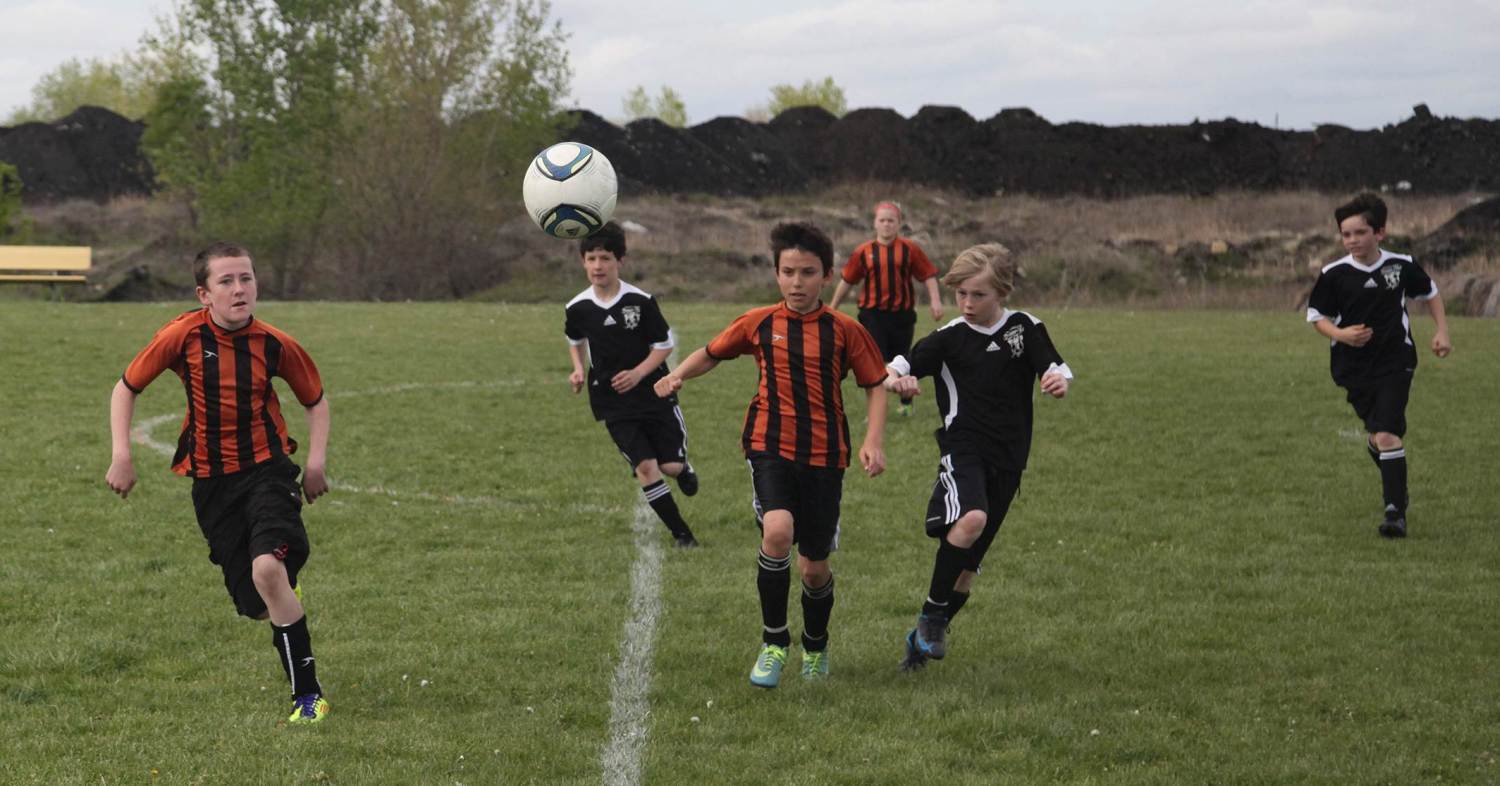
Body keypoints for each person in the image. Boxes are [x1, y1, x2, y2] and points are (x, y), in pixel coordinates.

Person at [105, 241, 333, 724]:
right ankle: (280, 600)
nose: (239, 289)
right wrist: (121, 455)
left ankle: (308, 697)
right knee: (255, 603)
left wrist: (314, 464)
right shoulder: (181, 335)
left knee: (268, 572)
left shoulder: (274, 343)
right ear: (204, 294)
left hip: (269, 472)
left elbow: (315, 400)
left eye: (246, 278)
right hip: (211, 484)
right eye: (226, 281)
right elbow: (125, 388)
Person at [655, 221, 889, 687]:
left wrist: (872, 440)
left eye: (807, 272)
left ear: (826, 275)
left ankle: (816, 647)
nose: (796, 282)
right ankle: (774, 642)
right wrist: (677, 374)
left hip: (826, 454)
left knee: (814, 566)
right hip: (769, 444)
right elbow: (712, 351)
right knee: (778, 531)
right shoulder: (759, 321)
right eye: (787, 272)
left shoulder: (846, 330)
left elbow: (875, 384)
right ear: (776, 274)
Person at [883, 243, 1073, 672]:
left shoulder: (1024, 328)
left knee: (966, 572)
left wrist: (1057, 379)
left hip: (1010, 460)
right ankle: (932, 616)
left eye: (978, 295)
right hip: (963, 450)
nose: (968, 303)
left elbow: (1055, 365)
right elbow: (898, 365)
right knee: (971, 519)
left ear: (1002, 292)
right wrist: (898, 380)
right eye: (961, 294)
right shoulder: (950, 338)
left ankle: (920, 640)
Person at [1306, 192, 1451, 538]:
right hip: (1352, 369)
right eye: (1346, 234)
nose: (1352, 240)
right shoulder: (1334, 274)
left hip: (1396, 362)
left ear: (1379, 233)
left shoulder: (1399, 266)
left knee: (1386, 434)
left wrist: (1442, 331)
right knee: (1381, 437)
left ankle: (1394, 513)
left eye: (1359, 233)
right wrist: (1341, 334)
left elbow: (1430, 292)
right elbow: (1316, 317)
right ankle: (1395, 479)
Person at [565, 221, 699, 547]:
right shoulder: (577, 307)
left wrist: (639, 373)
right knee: (645, 466)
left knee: (668, 465)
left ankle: (683, 469)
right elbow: (575, 338)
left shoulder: (639, 301)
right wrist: (578, 369)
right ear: (583, 261)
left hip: (653, 392)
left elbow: (664, 345)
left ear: (620, 261)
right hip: (612, 400)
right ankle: (682, 534)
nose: (598, 266)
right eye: (592, 258)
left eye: (606, 258)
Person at [829, 201, 943, 417]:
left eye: (891, 220)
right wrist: (832, 308)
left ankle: (907, 404)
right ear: (875, 223)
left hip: (903, 316)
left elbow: (927, 275)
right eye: (882, 220)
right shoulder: (864, 251)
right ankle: (875, 408)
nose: (886, 225)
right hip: (873, 316)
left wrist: (935, 301)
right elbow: (847, 280)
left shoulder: (910, 249)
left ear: (898, 223)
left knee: (902, 360)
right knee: (875, 361)